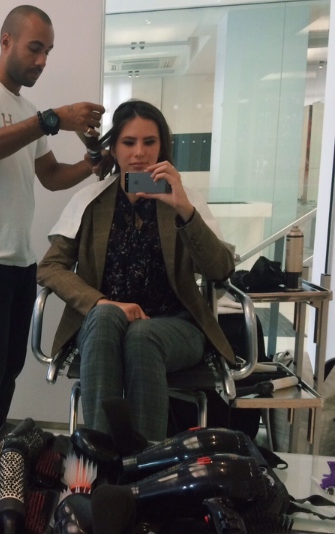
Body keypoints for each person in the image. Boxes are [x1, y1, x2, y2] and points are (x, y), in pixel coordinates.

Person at [37, 99, 236, 441]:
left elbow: (220, 270)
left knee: (142, 336)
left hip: (176, 326)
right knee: (105, 316)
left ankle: (144, 462)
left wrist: (184, 210)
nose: (139, 152)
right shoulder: (91, 201)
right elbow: (50, 267)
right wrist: (100, 302)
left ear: (162, 147)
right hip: (102, 326)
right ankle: (102, 456)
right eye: (129, 142)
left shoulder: (185, 200)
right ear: (114, 149)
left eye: (149, 142)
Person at [0, 4, 106, 468]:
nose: (42, 60)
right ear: (6, 41)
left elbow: (51, 176)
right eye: (35, 48)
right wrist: (50, 119)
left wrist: (91, 164)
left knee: (9, 370)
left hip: (21, 261)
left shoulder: (27, 110)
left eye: (48, 52)